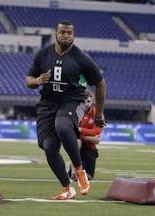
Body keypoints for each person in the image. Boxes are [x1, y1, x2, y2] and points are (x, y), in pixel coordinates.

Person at [25, 20, 106, 200]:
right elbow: (28, 79)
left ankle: (79, 170)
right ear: (56, 34)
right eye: (62, 32)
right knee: (49, 147)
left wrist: (99, 113)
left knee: (63, 126)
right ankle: (66, 189)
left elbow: (100, 84)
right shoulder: (43, 54)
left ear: (73, 35)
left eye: (69, 33)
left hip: (73, 102)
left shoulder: (81, 58)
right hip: (48, 104)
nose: (66, 35)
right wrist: (38, 81)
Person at [68, 90, 104, 181]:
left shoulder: (98, 114)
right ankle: (73, 172)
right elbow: (73, 131)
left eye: (88, 101)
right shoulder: (76, 112)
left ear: (92, 101)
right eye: (84, 101)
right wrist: (90, 137)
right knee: (77, 142)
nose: (86, 104)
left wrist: (80, 130)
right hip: (81, 142)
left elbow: (96, 132)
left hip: (90, 147)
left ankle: (70, 167)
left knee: (89, 177)